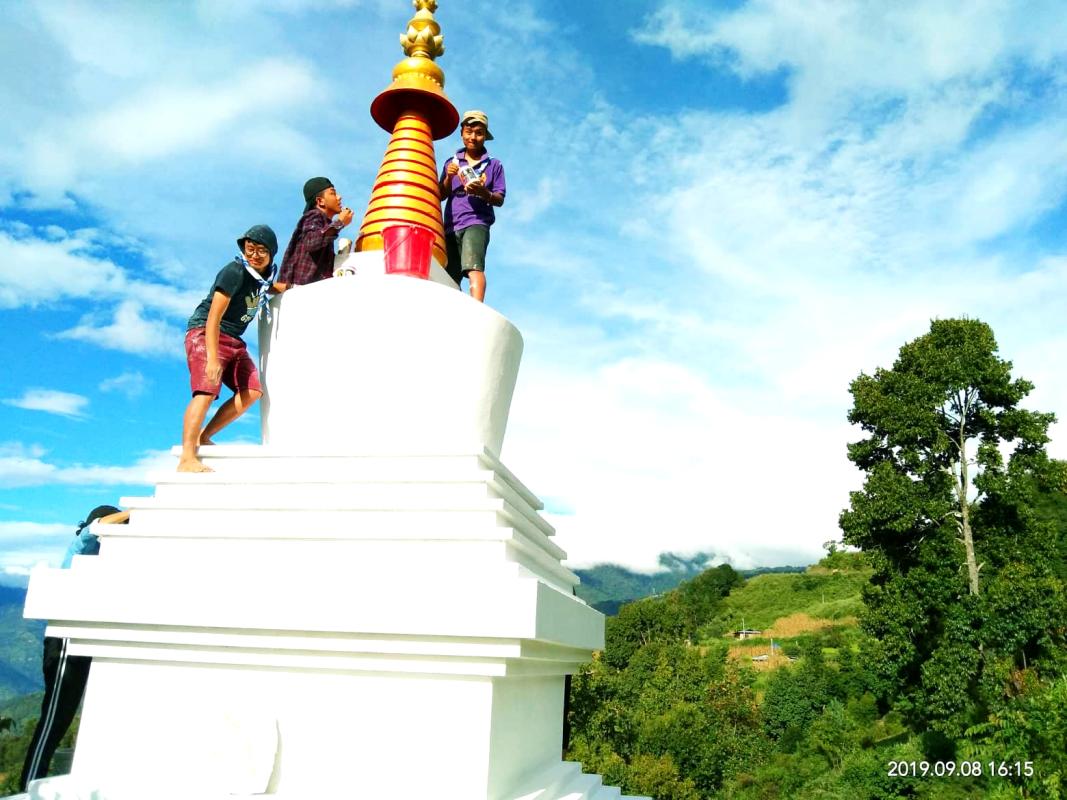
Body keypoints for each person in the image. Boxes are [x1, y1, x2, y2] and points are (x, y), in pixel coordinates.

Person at [20, 505, 130, 790]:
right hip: (67, 640)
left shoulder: (107, 557)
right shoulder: (85, 542)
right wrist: (134, 513)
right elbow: (97, 526)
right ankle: (28, 785)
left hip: (88, 637)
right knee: (57, 717)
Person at [178, 225, 287, 473]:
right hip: (206, 333)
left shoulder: (263, 277)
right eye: (250, 249)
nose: (255, 255)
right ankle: (186, 457)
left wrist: (286, 288)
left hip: (234, 339)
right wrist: (213, 359)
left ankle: (204, 436)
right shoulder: (235, 271)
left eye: (261, 250)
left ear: (271, 253)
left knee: (252, 391)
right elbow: (213, 317)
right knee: (206, 391)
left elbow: (265, 286)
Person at [438, 110, 506, 302]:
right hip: (450, 225)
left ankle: (477, 308)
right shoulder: (451, 163)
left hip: (476, 221)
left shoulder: (494, 165)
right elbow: (441, 195)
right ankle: (452, 310)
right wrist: (449, 177)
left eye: (479, 133)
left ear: (485, 136)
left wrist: (482, 191)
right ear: (462, 134)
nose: (473, 137)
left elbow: (499, 199)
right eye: (469, 132)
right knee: (448, 275)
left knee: (473, 266)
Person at [278, 176, 355, 286]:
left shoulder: (326, 225)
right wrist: (340, 222)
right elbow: (312, 242)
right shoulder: (314, 215)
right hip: (299, 289)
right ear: (320, 201)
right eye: (333, 193)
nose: (339, 197)